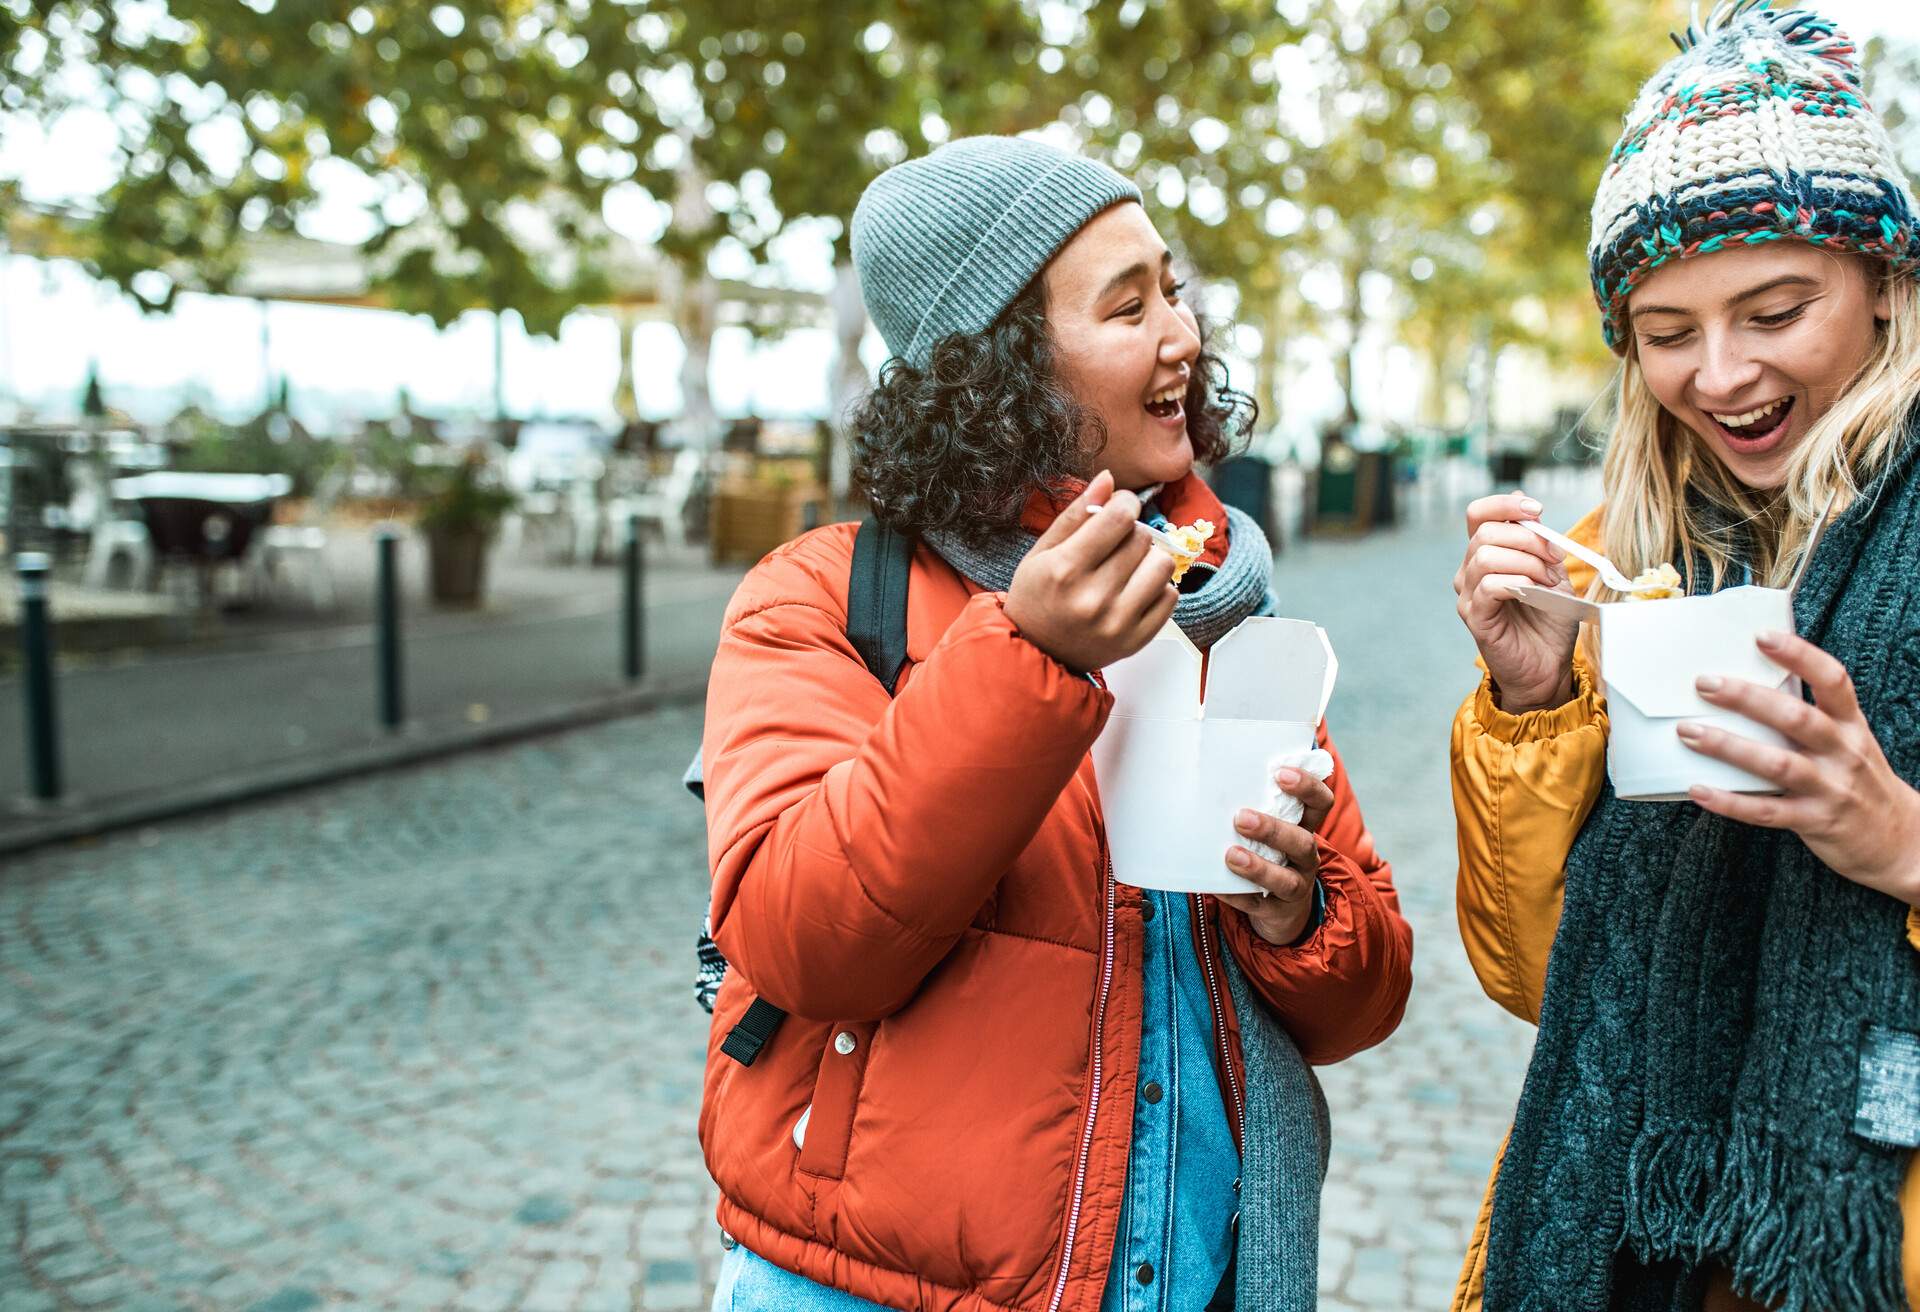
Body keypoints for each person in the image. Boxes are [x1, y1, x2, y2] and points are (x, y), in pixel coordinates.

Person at [698, 135, 1413, 1312]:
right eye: (1127, 307)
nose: (1183, 333)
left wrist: (1298, 913)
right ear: (999, 375)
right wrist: (1030, 654)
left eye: (1172, 289)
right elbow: (802, 939)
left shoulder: (1220, 606)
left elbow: (1368, 991)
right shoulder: (819, 597)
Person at [1448, 4, 1920, 1310]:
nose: (1722, 375)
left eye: (1774, 309)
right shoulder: (1630, 561)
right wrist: (1532, 700)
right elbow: (1542, 977)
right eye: (1666, 331)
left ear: (1887, 282)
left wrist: (1898, 842)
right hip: (1641, 1256)